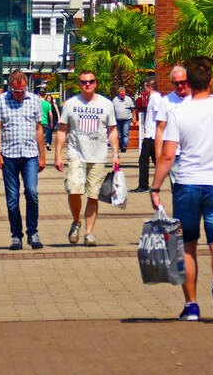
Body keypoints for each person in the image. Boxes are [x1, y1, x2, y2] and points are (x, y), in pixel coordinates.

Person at [150, 56, 213, 322]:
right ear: (211, 81)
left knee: (188, 246)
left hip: (187, 184)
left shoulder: (178, 113)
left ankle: (192, 306)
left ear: (189, 84)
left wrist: (155, 186)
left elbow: (168, 155)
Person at [54, 70, 119, 246]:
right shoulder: (71, 104)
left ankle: (89, 233)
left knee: (93, 195)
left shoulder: (106, 104)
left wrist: (116, 154)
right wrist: (58, 154)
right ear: (79, 84)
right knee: (74, 189)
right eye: (83, 82)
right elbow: (62, 129)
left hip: (98, 156)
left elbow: (112, 130)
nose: (87, 84)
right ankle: (76, 222)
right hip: (76, 154)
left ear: (95, 83)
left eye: (90, 81)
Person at [0, 71, 45, 250]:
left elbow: (39, 129)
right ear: (10, 87)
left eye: (22, 91)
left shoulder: (35, 100)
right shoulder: (0, 101)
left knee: (32, 193)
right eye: (16, 91)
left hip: (30, 154)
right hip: (9, 155)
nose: (19, 94)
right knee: (12, 199)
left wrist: (42, 156)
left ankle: (33, 233)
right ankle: (16, 236)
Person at [153, 65, 191, 181]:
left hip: (195, 155)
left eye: (183, 82)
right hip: (176, 155)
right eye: (176, 83)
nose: (180, 86)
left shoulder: (197, 98)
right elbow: (160, 129)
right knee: (179, 194)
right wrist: (158, 157)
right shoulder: (166, 101)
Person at [132, 76, 158, 193]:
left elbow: (160, 116)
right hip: (150, 134)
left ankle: (144, 185)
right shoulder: (153, 98)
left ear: (148, 86)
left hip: (152, 135)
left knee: (143, 160)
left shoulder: (155, 98)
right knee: (156, 160)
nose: (144, 90)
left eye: (145, 87)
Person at [111, 85, 134, 152]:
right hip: (117, 120)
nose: (122, 94)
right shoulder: (115, 100)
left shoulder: (129, 99)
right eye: (121, 92)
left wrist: (134, 118)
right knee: (119, 135)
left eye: (123, 92)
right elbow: (112, 110)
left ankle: (124, 147)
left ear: (125, 93)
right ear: (119, 93)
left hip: (127, 120)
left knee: (125, 134)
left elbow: (133, 109)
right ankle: (121, 145)